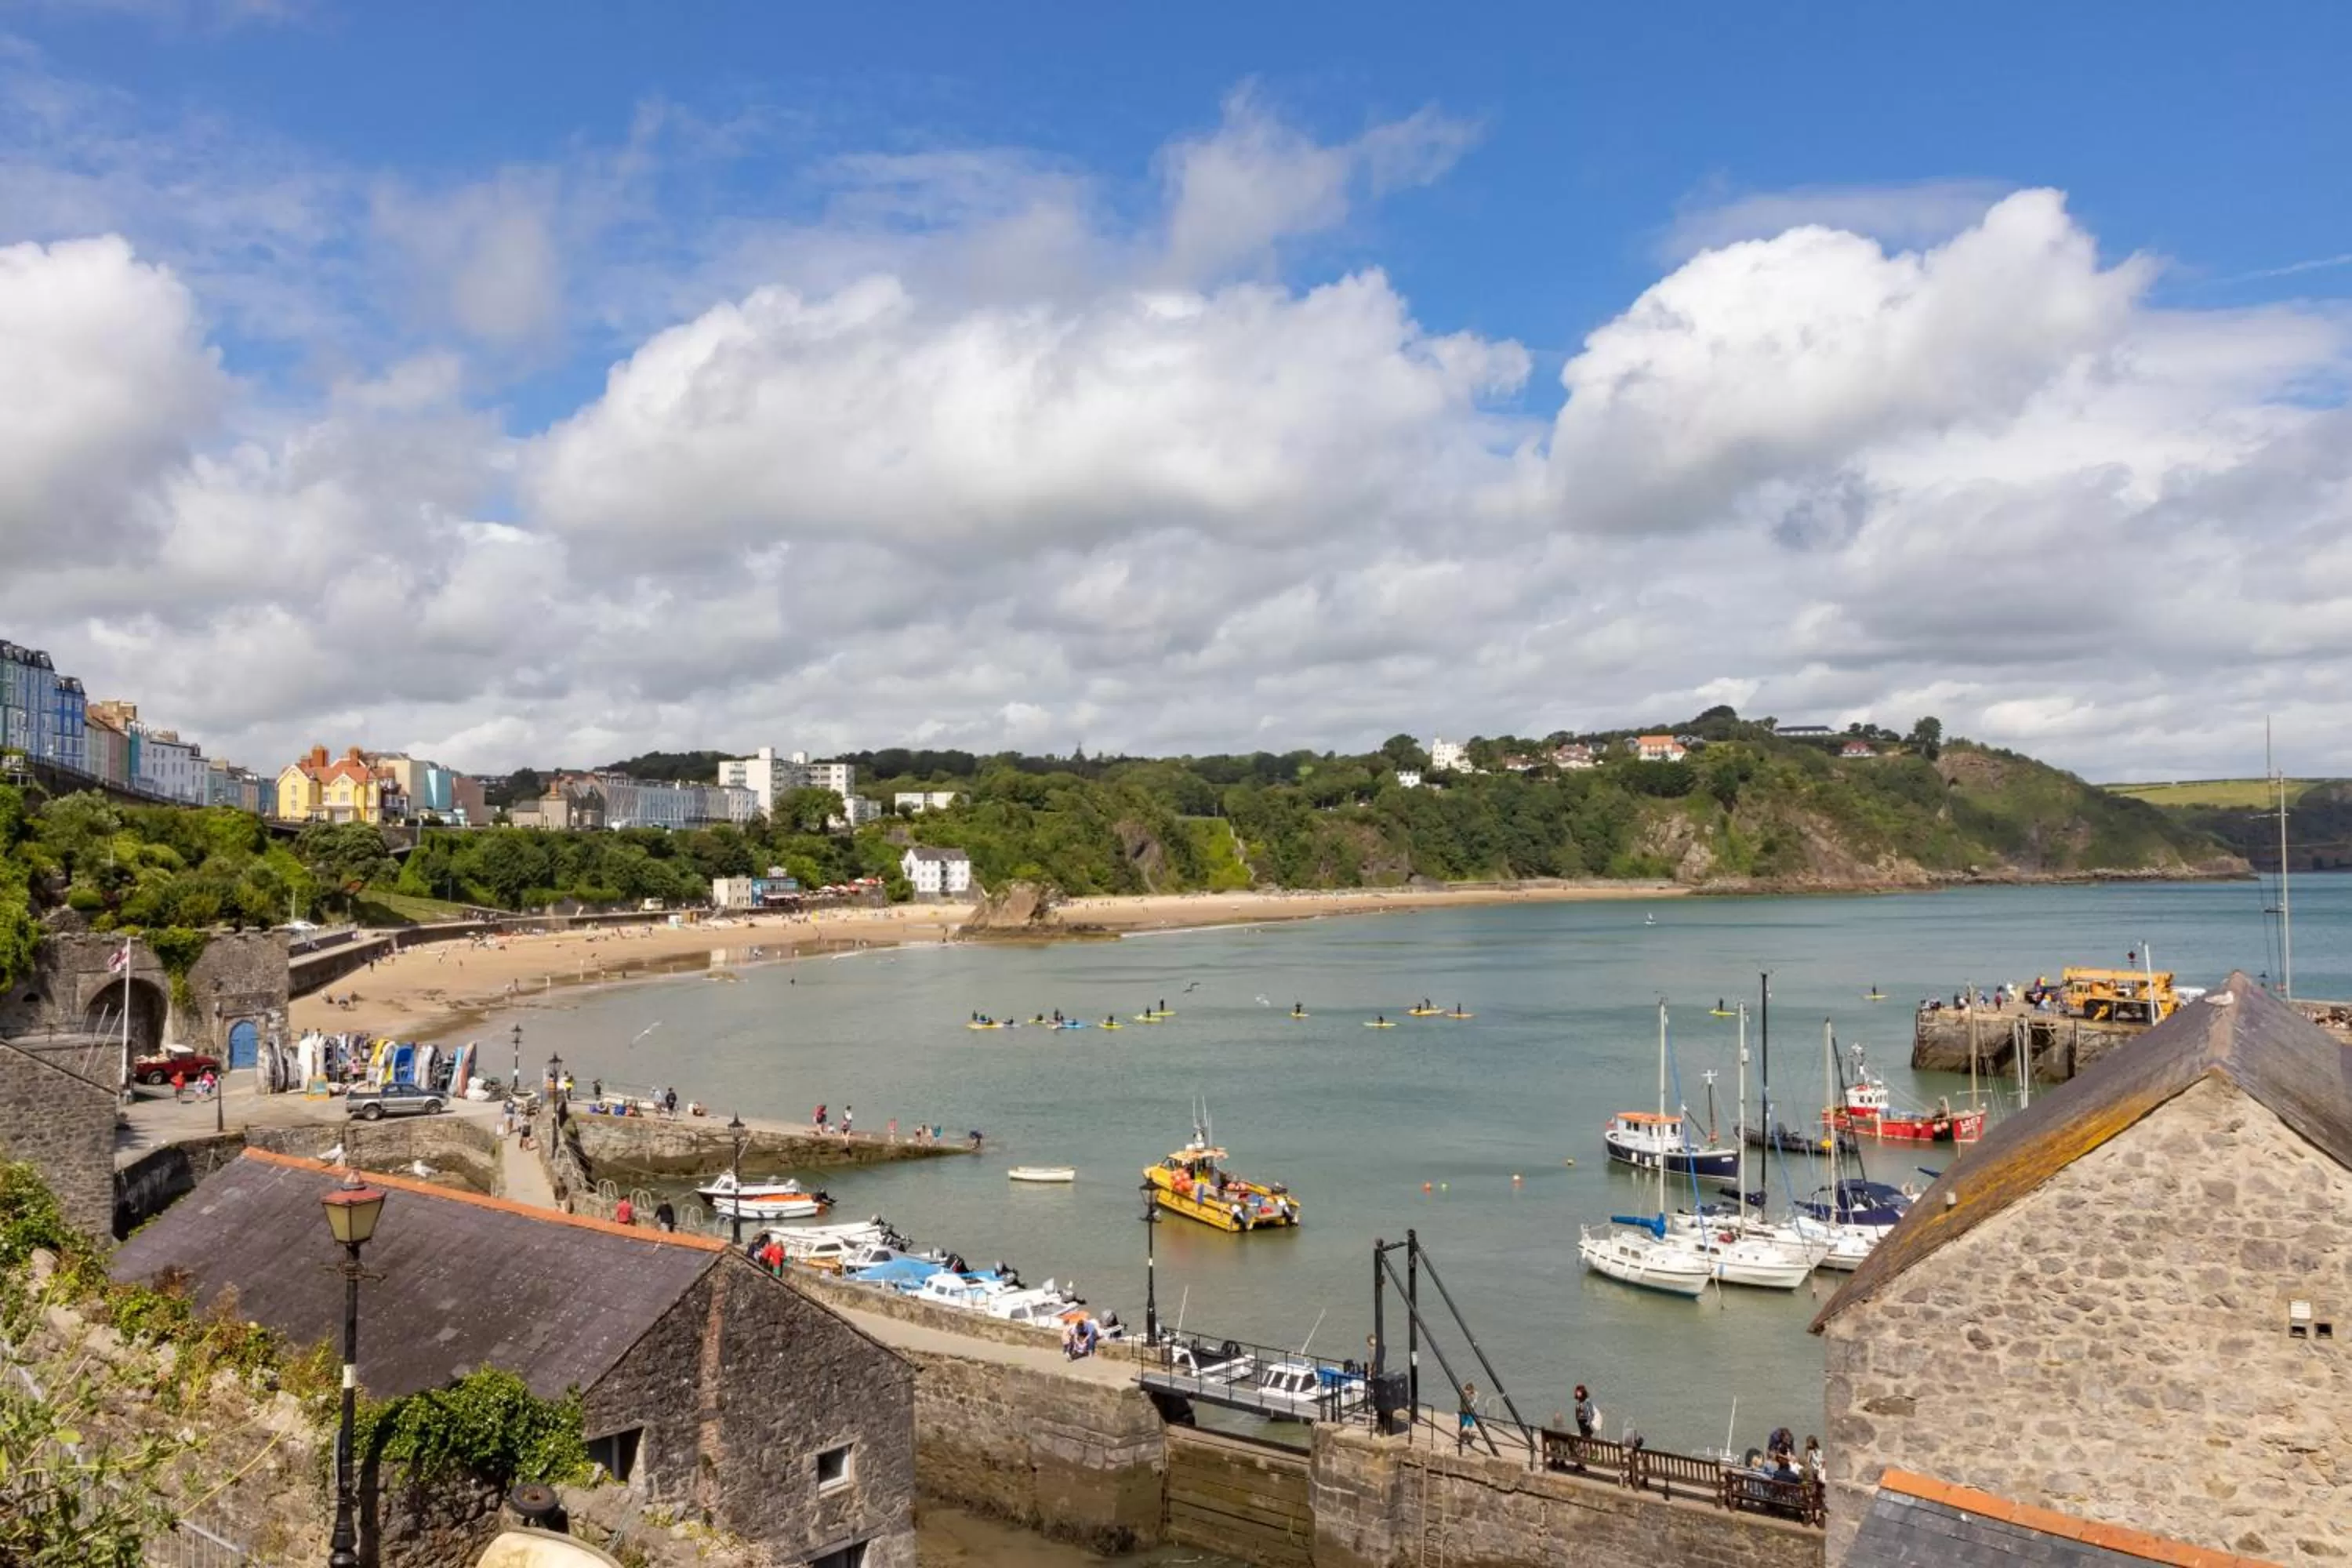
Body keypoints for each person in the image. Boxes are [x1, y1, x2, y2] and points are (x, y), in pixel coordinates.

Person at [1457, 1382, 1479, 1452]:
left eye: (1470, 1389)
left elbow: (1474, 1401)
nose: (1468, 1391)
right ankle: (1462, 1439)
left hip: (1470, 1412)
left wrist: (1471, 1394)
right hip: (1464, 1411)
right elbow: (1463, 1395)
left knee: (1469, 1426)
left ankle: (1468, 1439)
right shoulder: (1463, 1394)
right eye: (1467, 1389)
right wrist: (1467, 1393)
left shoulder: (1474, 1395)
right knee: (1462, 1425)